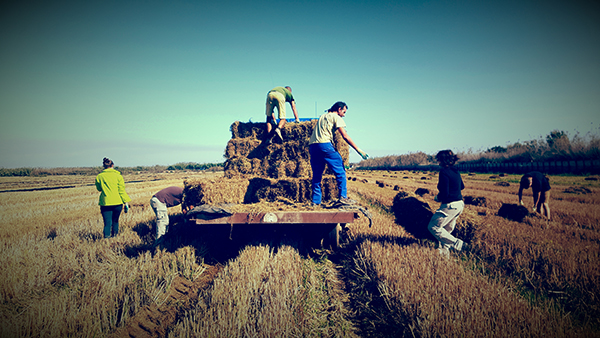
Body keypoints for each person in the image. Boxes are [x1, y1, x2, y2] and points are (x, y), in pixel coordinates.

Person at [308, 101, 369, 206]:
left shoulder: (323, 116)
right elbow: (345, 136)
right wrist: (358, 149)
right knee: (340, 171)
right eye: (344, 112)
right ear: (339, 109)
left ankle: (315, 202)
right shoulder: (336, 117)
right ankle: (343, 197)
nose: (344, 115)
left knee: (317, 176)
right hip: (324, 145)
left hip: (313, 146)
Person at [427, 150, 465, 257]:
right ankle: (444, 256)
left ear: (443, 161)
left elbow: (445, 193)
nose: (438, 162)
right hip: (460, 204)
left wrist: (437, 197)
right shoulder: (455, 170)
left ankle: (459, 244)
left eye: (439, 160)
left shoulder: (444, 172)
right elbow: (462, 187)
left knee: (433, 227)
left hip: (450, 205)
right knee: (445, 232)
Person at [95, 157, 131, 238]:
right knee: (115, 221)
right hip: (117, 203)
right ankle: (115, 238)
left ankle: (106, 240)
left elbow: (99, 189)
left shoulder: (99, 176)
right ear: (113, 165)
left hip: (105, 202)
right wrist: (126, 202)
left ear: (104, 166)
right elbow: (121, 191)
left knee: (107, 223)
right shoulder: (118, 176)